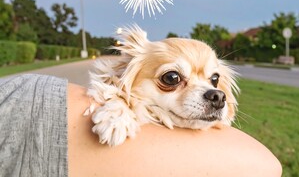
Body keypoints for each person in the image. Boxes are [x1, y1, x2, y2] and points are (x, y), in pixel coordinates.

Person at [0, 74, 282, 177]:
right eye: (172, 78)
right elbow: (264, 166)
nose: (212, 92)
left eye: (214, 81)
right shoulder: (22, 104)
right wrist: (123, 106)